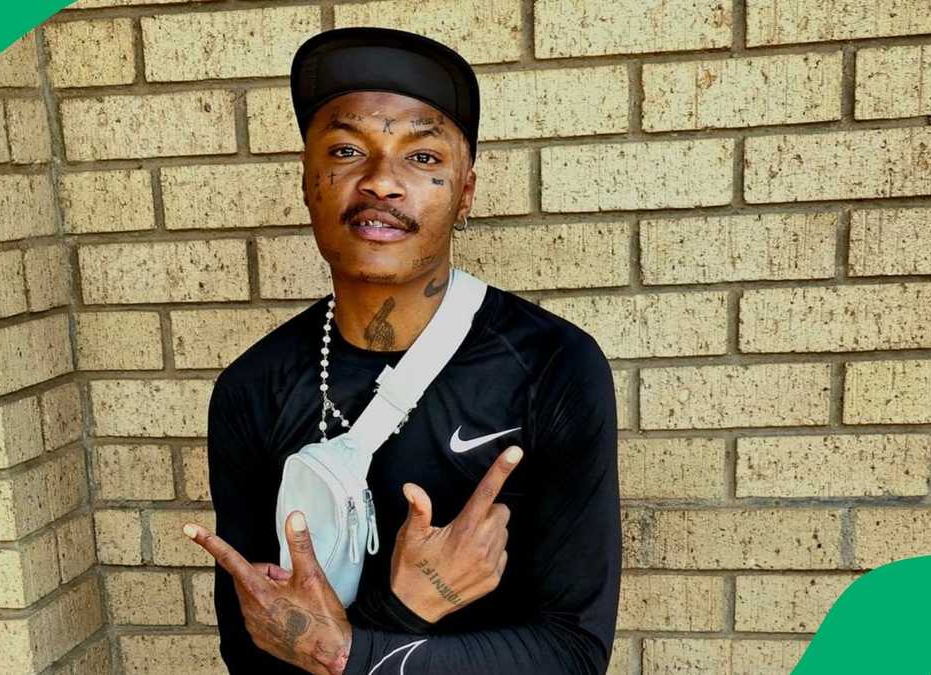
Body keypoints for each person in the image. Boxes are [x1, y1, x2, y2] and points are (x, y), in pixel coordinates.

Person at [181, 26, 621, 675]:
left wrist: (345, 650)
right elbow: (254, 656)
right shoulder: (253, 388)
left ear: (465, 192)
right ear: (308, 182)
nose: (382, 182)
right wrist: (407, 607)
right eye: (346, 149)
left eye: (421, 156)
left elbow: (574, 653)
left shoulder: (552, 364)